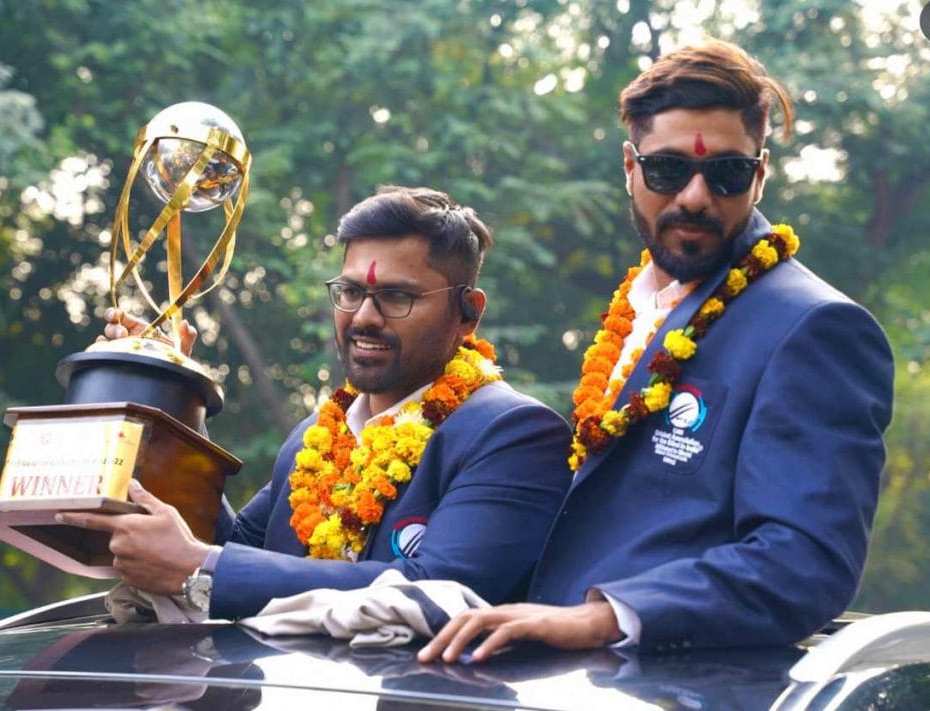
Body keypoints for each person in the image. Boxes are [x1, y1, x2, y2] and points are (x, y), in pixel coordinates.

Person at [419, 39, 894, 662]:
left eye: (726, 173)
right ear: (629, 166)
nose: (695, 196)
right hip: (549, 678)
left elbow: (805, 563)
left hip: (671, 686)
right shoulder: (641, 305)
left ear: (760, 175)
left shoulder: (815, 328)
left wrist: (607, 617)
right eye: (667, 170)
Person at [59, 185, 573, 620]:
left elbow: (435, 591)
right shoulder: (315, 437)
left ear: (468, 313)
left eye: (397, 297)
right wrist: (171, 394)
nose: (364, 317)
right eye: (349, 292)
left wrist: (200, 566)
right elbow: (236, 548)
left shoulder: (514, 434)